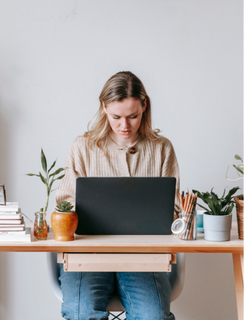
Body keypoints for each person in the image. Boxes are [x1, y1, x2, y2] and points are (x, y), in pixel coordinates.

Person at [55, 71, 180, 320]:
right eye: (116, 117)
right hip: (87, 258)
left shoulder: (161, 148)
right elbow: (63, 204)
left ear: (144, 106)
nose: (125, 126)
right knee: (82, 314)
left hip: (143, 259)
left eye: (133, 116)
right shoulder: (83, 147)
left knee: (153, 317)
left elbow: (174, 211)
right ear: (103, 107)